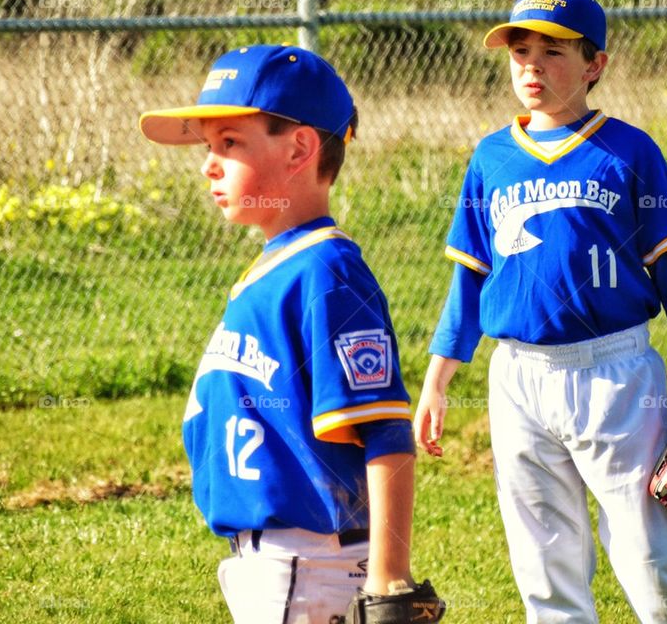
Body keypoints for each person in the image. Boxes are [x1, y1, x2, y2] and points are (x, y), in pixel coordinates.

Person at [415, 0, 667, 623]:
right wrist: (438, 381)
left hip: (614, 371)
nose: (530, 65)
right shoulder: (491, 157)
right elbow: (470, 279)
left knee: (650, 551)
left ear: (594, 65)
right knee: (544, 564)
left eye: (552, 51)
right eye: (519, 49)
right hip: (517, 375)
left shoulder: (630, 150)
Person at [140, 44, 442, 624]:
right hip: (279, 564)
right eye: (209, 147)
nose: (208, 164)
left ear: (300, 147)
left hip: (309, 565)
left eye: (230, 144)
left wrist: (389, 574)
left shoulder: (326, 274)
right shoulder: (276, 267)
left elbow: (384, 430)